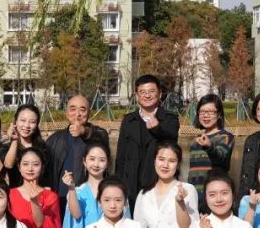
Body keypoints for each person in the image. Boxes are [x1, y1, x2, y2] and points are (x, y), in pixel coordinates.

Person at [116, 74, 180, 210]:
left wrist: (157, 129)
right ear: (136, 95)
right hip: (130, 182)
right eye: (142, 92)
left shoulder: (170, 119)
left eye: (151, 91)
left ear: (160, 94)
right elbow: (121, 155)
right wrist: (117, 184)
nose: (147, 95)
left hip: (157, 181)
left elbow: (172, 142)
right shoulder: (128, 120)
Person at [45, 94, 110, 215]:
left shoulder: (98, 135)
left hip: (90, 199)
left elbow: (101, 136)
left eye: (82, 110)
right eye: (73, 109)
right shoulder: (54, 139)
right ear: (67, 113)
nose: (77, 114)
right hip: (60, 200)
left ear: (88, 113)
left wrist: (84, 131)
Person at [187, 94, 235, 213]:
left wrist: (209, 146)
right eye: (202, 112)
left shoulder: (225, 137)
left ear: (219, 114)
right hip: (194, 196)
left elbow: (221, 156)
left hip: (215, 197)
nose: (206, 115)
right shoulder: (196, 140)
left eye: (210, 112)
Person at [0, 103, 51, 188]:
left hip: (39, 192)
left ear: (37, 124)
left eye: (32, 122)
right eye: (23, 120)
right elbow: (8, 164)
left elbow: (48, 176)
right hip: (16, 193)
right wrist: (15, 140)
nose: (27, 125)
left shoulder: (44, 148)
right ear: (15, 121)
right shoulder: (6, 148)